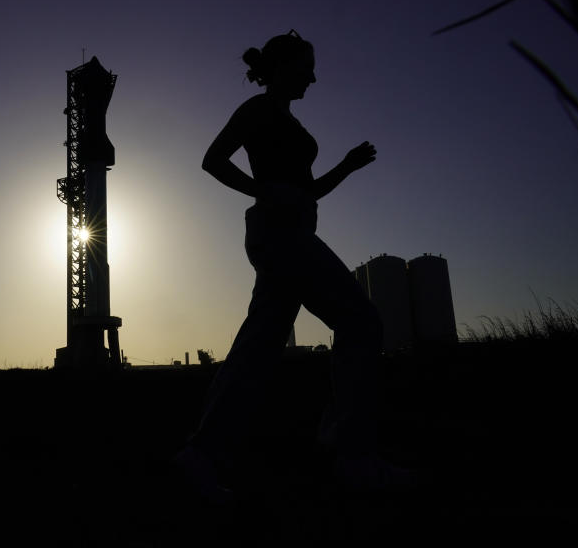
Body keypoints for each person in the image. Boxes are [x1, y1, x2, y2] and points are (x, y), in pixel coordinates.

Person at [173, 30, 413, 502]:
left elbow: (307, 192)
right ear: (281, 68)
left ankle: (200, 457)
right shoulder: (258, 109)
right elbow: (212, 160)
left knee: (259, 346)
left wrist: (345, 166)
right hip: (280, 234)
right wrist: (264, 191)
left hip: (293, 231)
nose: (314, 77)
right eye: (307, 67)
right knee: (360, 321)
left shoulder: (285, 119)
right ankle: (354, 456)